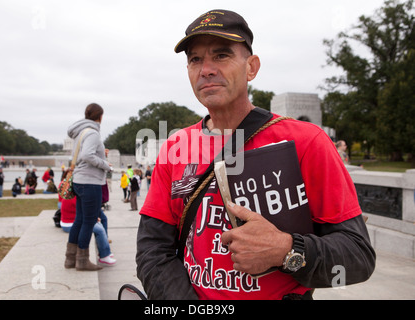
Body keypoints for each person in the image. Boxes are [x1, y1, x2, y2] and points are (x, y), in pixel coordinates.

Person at [136, 9, 375, 300]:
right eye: (195, 59)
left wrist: (286, 250)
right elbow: (152, 249)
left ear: (251, 67)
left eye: (221, 55)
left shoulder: (307, 141)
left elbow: (358, 258)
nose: (206, 69)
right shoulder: (175, 148)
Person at [64, 103, 112, 271]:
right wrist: (106, 165)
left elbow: (82, 154)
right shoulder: (93, 132)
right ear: (100, 116)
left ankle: (70, 259)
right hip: (90, 182)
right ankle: (82, 260)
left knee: (79, 220)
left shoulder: (80, 132)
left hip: (79, 180)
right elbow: (87, 155)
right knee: (89, 221)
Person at [59, 194, 116, 266]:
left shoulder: (70, 195)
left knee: (98, 225)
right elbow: (83, 214)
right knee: (100, 229)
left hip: (66, 222)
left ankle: (105, 252)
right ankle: (104, 255)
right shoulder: (78, 198)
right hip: (70, 224)